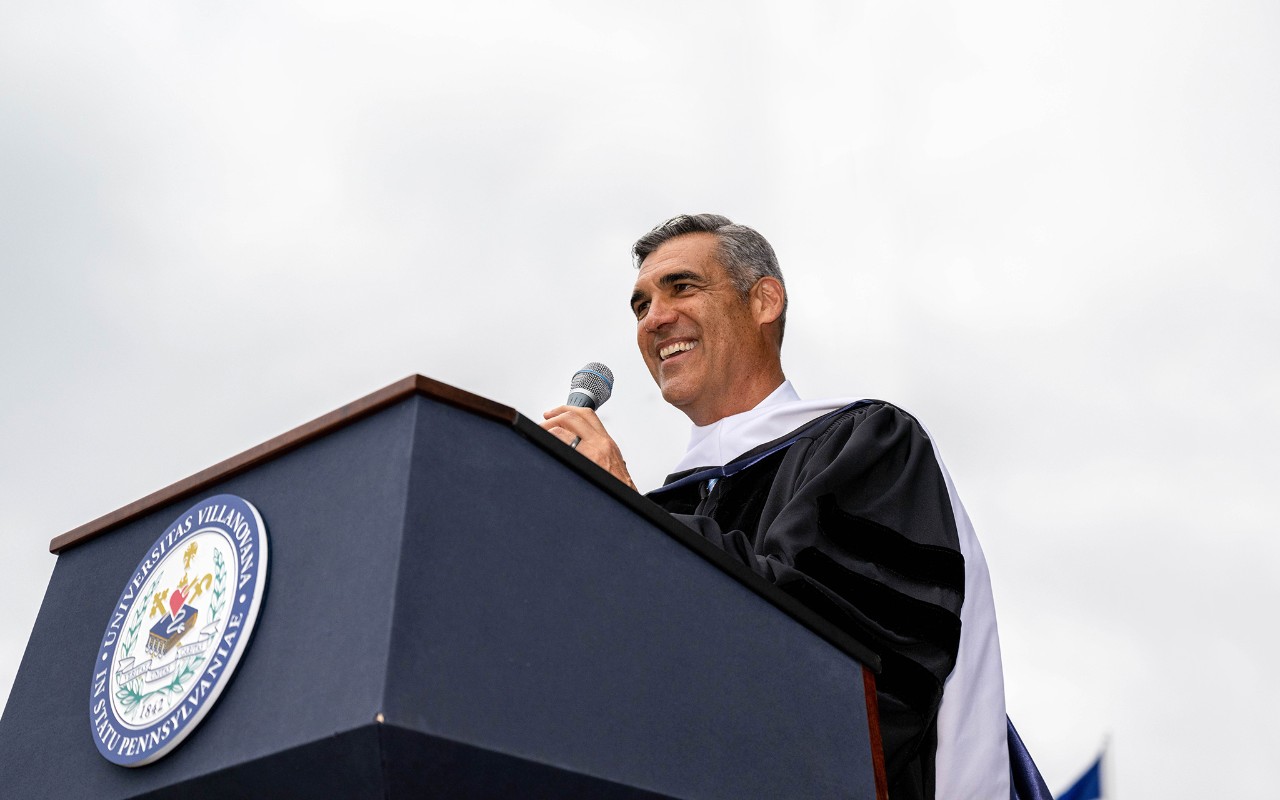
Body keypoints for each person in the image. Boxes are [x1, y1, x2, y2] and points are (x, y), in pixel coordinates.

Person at [541, 214, 1016, 799]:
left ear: (764, 300)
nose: (655, 319)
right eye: (640, 306)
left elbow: (832, 652)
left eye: (682, 287)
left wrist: (632, 521)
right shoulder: (665, 503)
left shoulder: (868, 443)